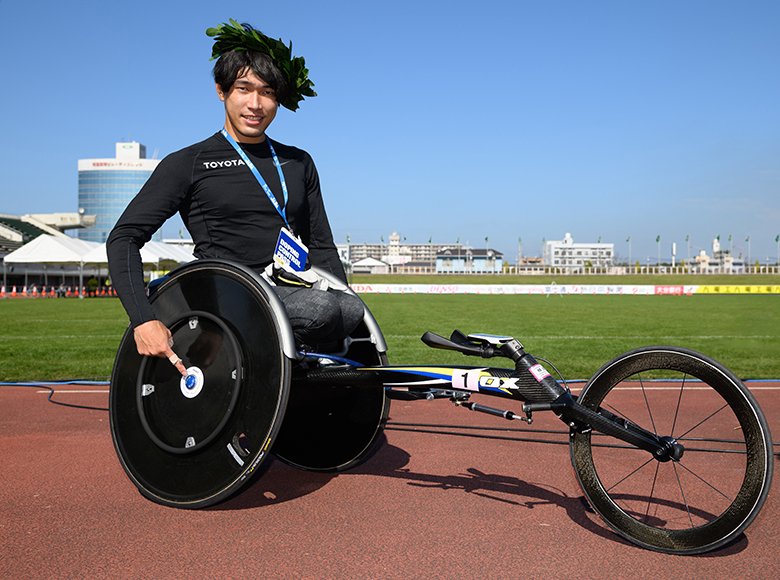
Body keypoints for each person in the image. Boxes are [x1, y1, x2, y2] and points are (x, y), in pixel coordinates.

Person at [107, 21, 364, 376]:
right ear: (221, 91)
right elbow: (124, 238)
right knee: (321, 309)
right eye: (244, 89)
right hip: (226, 292)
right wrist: (143, 320)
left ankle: (299, 367)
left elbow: (320, 243)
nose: (256, 104)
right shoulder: (189, 162)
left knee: (349, 310)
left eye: (268, 92)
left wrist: (347, 303)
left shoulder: (298, 161)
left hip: (290, 285)